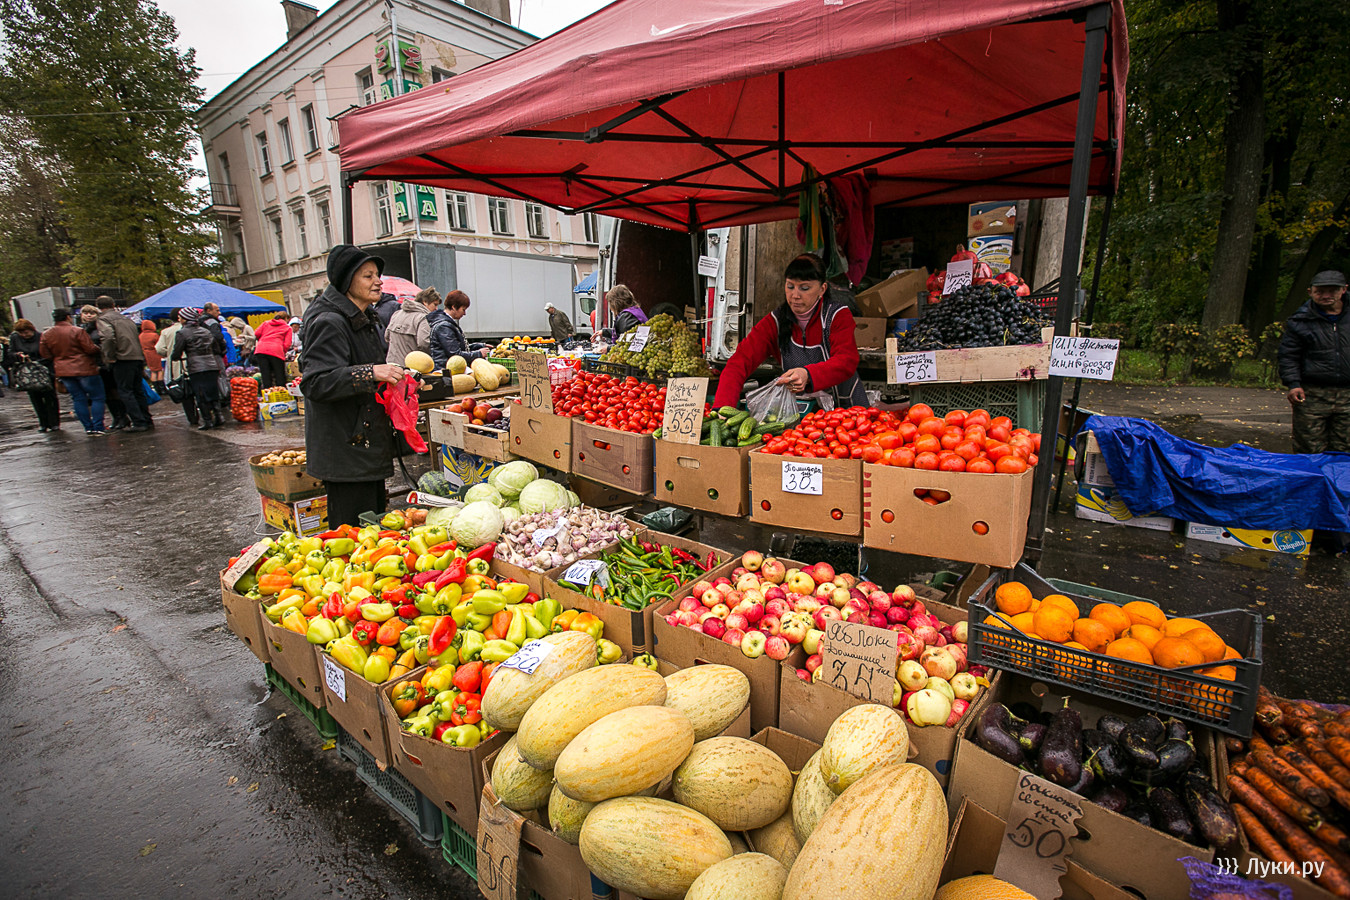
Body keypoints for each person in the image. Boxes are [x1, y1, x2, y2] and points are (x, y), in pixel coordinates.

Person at [300, 244, 405, 527]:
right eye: (368, 276)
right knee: (351, 530)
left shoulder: (363, 317)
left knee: (371, 526)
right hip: (345, 449)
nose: (378, 281)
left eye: (377, 275)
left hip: (362, 442)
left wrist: (395, 380)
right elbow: (316, 382)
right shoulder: (329, 322)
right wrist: (371, 372)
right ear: (347, 281)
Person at [712, 253, 867, 410]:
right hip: (804, 412)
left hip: (848, 411)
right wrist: (721, 408)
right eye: (790, 286)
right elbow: (739, 363)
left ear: (822, 289)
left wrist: (808, 374)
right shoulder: (776, 321)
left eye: (804, 288)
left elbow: (846, 360)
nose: (795, 295)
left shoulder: (837, 315)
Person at [1279, 270, 1350, 453]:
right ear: (1310, 292)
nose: (1326, 296)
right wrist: (1293, 384)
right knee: (1309, 448)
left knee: (1345, 449)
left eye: (1332, 291)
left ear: (1343, 290)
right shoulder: (1300, 321)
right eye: (1320, 291)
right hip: (1312, 394)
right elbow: (1289, 355)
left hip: (1348, 394)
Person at [40, 309, 106, 434]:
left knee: (78, 398)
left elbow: (45, 354)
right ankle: (98, 426)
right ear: (68, 317)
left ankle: (88, 427)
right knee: (97, 397)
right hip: (84, 368)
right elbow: (89, 349)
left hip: (64, 370)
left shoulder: (46, 334)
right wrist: (98, 349)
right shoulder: (77, 331)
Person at [95, 296, 153, 432]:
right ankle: (146, 419)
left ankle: (138, 421)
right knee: (137, 390)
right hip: (136, 356)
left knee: (126, 391)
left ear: (98, 307)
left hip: (122, 358)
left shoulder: (104, 319)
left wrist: (109, 356)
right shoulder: (126, 319)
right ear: (113, 304)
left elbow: (108, 337)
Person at [171, 308, 226, 430]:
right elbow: (217, 347)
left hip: (196, 367)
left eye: (180, 317)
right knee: (213, 391)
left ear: (185, 318)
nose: (179, 319)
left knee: (201, 393)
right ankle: (219, 416)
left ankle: (207, 420)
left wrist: (175, 357)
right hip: (212, 364)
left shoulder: (182, 333)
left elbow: (177, 352)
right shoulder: (205, 331)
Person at [82, 304, 128, 430]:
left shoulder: (100, 327)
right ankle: (116, 417)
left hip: (106, 362)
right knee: (106, 393)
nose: (89, 315)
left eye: (92, 313)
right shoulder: (84, 330)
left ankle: (122, 416)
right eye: (86, 313)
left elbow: (108, 341)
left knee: (114, 390)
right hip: (96, 364)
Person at [9, 319, 60, 432]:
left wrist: (38, 362)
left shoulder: (41, 337)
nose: (24, 335)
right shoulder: (15, 338)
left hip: (43, 369)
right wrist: (18, 355)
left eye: (26, 332)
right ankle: (43, 423)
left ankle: (54, 422)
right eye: (21, 333)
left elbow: (49, 354)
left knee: (50, 397)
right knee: (35, 398)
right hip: (28, 372)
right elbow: (10, 353)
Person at [427, 290, 491, 367]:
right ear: (454, 307)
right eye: (463, 309)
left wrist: (479, 346)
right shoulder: (444, 326)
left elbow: (459, 347)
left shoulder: (447, 323)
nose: (464, 313)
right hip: (446, 370)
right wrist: (479, 353)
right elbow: (455, 354)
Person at [156, 309, 198, 426]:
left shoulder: (166, 332)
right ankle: (206, 414)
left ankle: (192, 418)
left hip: (177, 365)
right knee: (199, 389)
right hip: (195, 363)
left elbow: (159, 349)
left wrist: (169, 352)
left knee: (185, 392)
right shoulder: (195, 329)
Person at [385, 287, 439, 366]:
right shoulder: (422, 318)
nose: (436, 308)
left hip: (391, 363)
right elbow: (424, 343)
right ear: (425, 302)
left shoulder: (397, 314)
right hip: (411, 366)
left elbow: (387, 337)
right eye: (435, 304)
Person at [252, 312, 293, 388]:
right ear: (286, 318)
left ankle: (267, 392)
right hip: (276, 350)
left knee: (265, 374)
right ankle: (281, 391)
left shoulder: (266, 323)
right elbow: (287, 343)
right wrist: (282, 351)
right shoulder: (287, 328)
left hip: (261, 349)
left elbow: (256, 333)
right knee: (279, 375)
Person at [140, 319, 165, 390]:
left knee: (153, 371)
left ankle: (156, 388)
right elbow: (160, 345)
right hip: (155, 353)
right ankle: (162, 389)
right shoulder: (154, 335)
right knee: (160, 370)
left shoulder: (141, 336)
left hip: (147, 354)